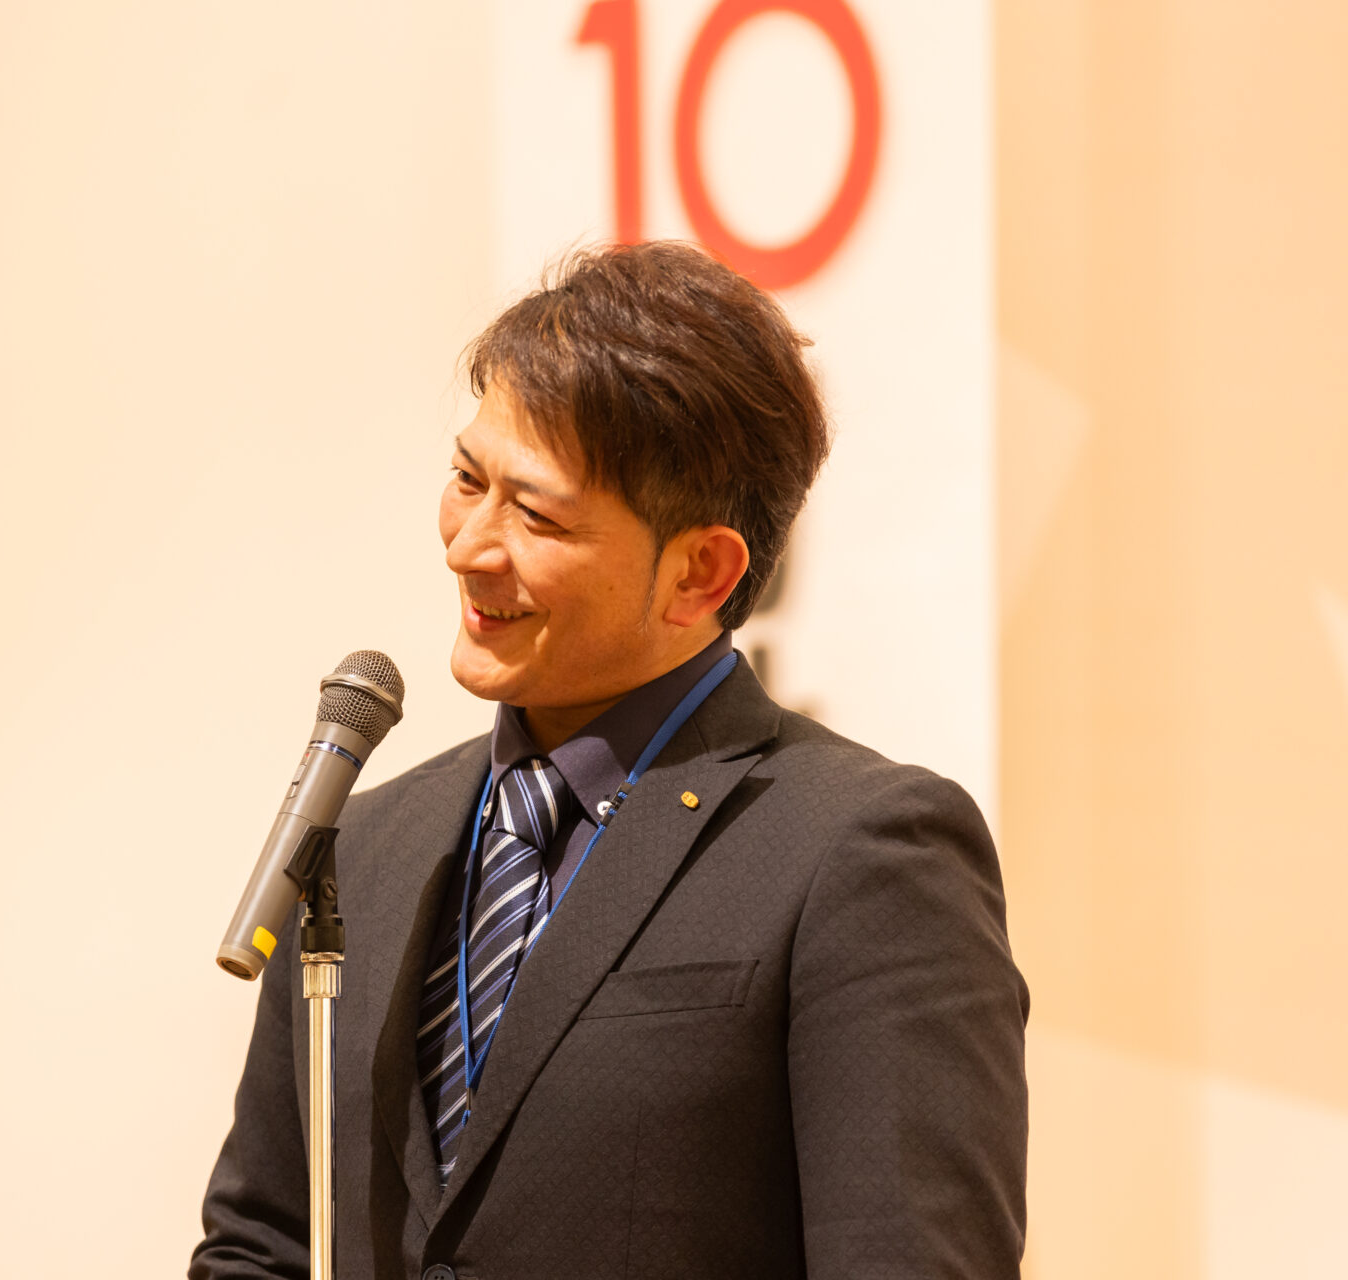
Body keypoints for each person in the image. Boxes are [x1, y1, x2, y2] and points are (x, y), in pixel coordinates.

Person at [190, 241, 1028, 1279]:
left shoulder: (864, 853)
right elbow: (260, 1243)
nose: (468, 546)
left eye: (535, 513)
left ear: (701, 572)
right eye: (466, 479)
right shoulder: (359, 847)